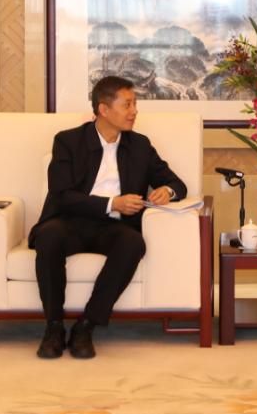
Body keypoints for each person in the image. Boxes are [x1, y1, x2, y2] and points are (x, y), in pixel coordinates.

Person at [28, 76, 186, 359]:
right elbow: (61, 194)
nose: (134, 111)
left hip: (113, 227)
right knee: (48, 237)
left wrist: (167, 190)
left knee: (133, 243)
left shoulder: (139, 145)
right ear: (103, 109)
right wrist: (113, 203)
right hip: (69, 221)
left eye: (135, 104)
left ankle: (86, 326)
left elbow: (177, 183)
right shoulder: (68, 141)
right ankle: (53, 327)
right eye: (127, 105)